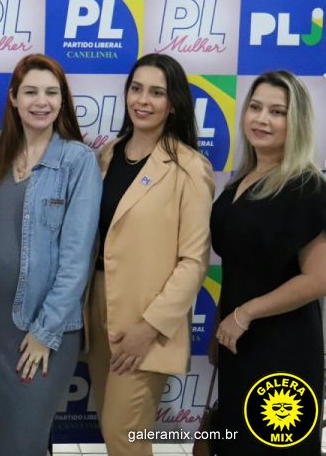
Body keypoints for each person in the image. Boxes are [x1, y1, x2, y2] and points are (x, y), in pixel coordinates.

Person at [84, 53, 214, 455]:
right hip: (98, 308)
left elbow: (194, 262)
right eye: (136, 89)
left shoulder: (189, 168)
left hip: (146, 321)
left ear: (173, 104)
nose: (143, 100)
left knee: (124, 435)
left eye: (157, 92)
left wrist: (149, 327)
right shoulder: (106, 156)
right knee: (114, 431)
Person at [0, 53, 102, 456]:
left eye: (51, 92)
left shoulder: (77, 161)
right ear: (14, 99)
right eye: (30, 92)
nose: (41, 101)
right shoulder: (0, 156)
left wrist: (44, 333)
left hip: (41, 328)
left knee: (23, 443)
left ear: (63, 101)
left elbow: (76, 261)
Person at [210, 70, 326, 455]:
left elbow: (318, 279)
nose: (262, 119)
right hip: (239, 341)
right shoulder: (241, 180)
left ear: (297, 122)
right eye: (256, 107)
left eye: (277, 112)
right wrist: (225, 323)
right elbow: (241, 265)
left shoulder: (307, 187)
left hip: (283, 347)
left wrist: (245, 314)